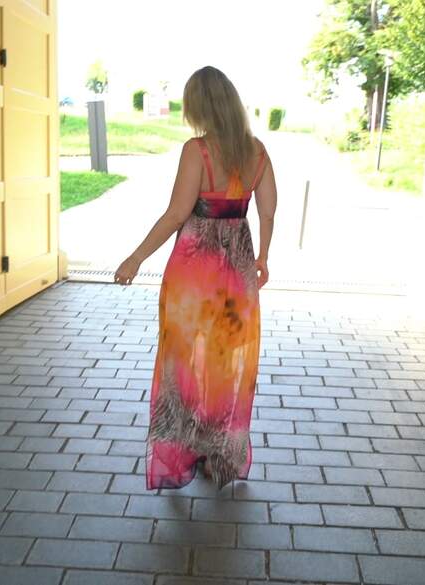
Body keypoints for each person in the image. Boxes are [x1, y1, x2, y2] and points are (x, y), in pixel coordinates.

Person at [114, 66, 278, 490]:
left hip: (194, 272)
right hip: (238, 269)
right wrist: (262, 256)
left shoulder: (197, 150)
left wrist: (135, 257)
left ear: (199, 106)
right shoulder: (257, 151)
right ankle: (217, 451)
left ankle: (183, 448)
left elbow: (176, 214)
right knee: (225, 361)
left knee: (184, 360)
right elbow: (267, 210)